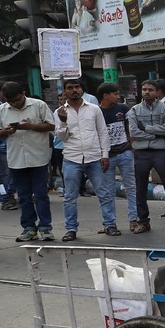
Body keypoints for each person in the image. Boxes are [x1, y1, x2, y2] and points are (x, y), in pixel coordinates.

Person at [55, 77, 113, 241]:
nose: (74, 90)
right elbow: (62, 138)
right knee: (70, 197)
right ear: (65, 91)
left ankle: (110, 224)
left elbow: (103, 132)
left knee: (104, 193)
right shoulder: (59, 112)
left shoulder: (94, 109)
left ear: (82, 90)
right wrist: (64, 122)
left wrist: (105, 155)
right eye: (70, 88)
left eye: (77, 87)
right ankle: (71, 229)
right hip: (72, 158)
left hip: (94, 157)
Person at [0, 82, 55, 241]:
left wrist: (30, 126)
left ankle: (45, 227)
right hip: (16, 159)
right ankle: (29, 228)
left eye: (17, 99)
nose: (14, 103)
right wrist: (6, 131)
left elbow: (51, 126)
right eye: (11, 101)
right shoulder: (1, 110)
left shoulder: (38, 105)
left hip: (39, 157)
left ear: (24, 92)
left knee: (41, 195)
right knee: (23, 196)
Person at [127, 79, 165, 232]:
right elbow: (134, 133)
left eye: (150, 89)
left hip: (161, 152)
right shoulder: (134, 110)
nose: (147, 92)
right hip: (141, 153)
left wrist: (146, 128)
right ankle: (143, 221)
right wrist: (154, 135)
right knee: (140, 188)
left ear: (157, 91)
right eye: (144, 89)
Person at [97, 82, 138, 235]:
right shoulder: (97, 112)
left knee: (131, 187)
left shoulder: (122, 109)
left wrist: (131, 146)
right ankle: (110, 223)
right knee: (108, 191)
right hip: (107, 156)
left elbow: (130, 127)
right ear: (105, 96)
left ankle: (133, 219)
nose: (117, 96)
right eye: (114, 93)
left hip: (125, 153)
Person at [0, 84, 17, 211]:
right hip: (0, 148)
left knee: (14, 174)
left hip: (14, 146)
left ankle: (10, 195)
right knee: (4, 176)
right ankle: (6, 199)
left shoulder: (13, 106)